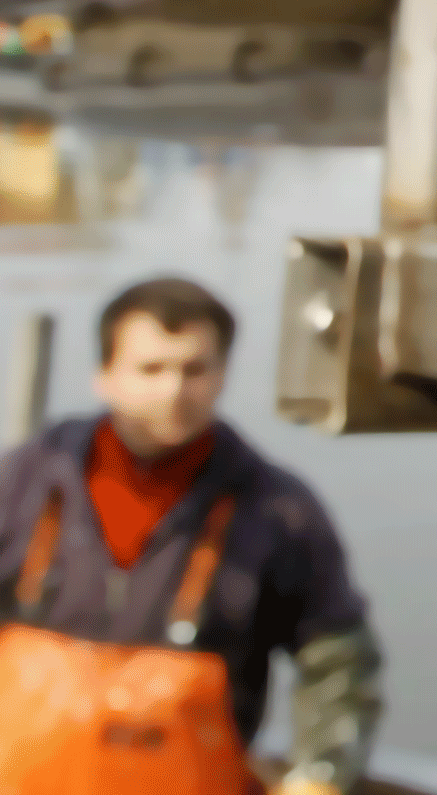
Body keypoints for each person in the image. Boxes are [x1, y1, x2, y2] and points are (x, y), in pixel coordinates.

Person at [0, 277, 384, 795]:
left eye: (194, 369)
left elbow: (339, 661)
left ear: (222, 376)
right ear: (104, 376)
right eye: (151, 369)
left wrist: (320, 776)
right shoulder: (23, 482)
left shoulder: (278, 510)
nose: (174, 391)